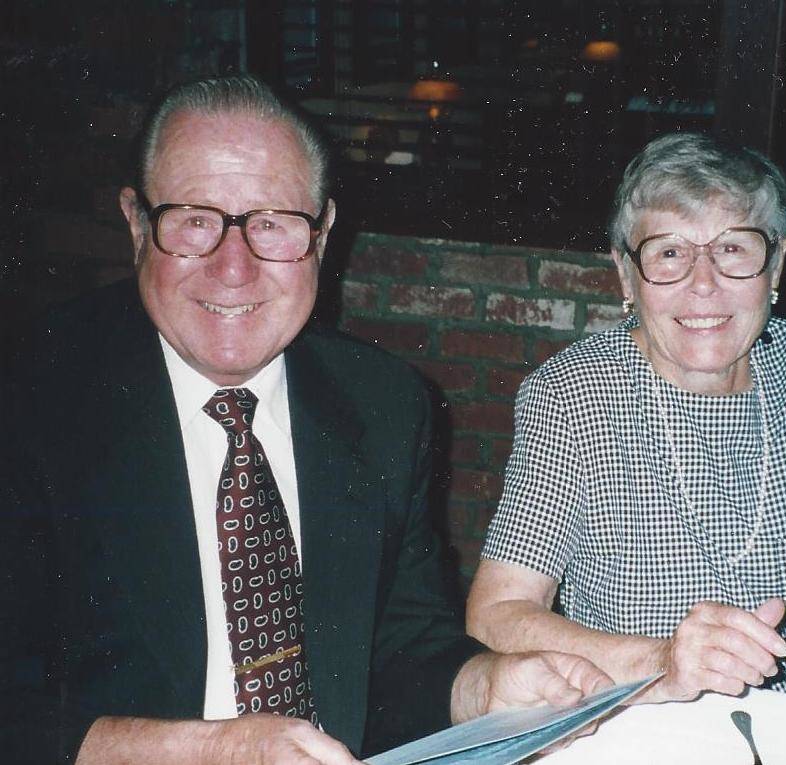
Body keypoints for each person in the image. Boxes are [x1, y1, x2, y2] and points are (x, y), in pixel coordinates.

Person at [0, 74, 611, 765]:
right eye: (196, 220)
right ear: (137, 224)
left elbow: (400, 644)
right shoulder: (31, 401)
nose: (234, 267)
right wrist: (214, 750)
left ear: (321, 236)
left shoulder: (382, 401)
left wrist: (483, 685)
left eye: (271, 224)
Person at [466, 132, 786, 745]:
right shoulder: (574, 395)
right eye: (668, 254)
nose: (704, 284)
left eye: (734, 249)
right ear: (625, 275)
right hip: (661, 739)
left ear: (776, 262)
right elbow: (498, 615)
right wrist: (660, 661)